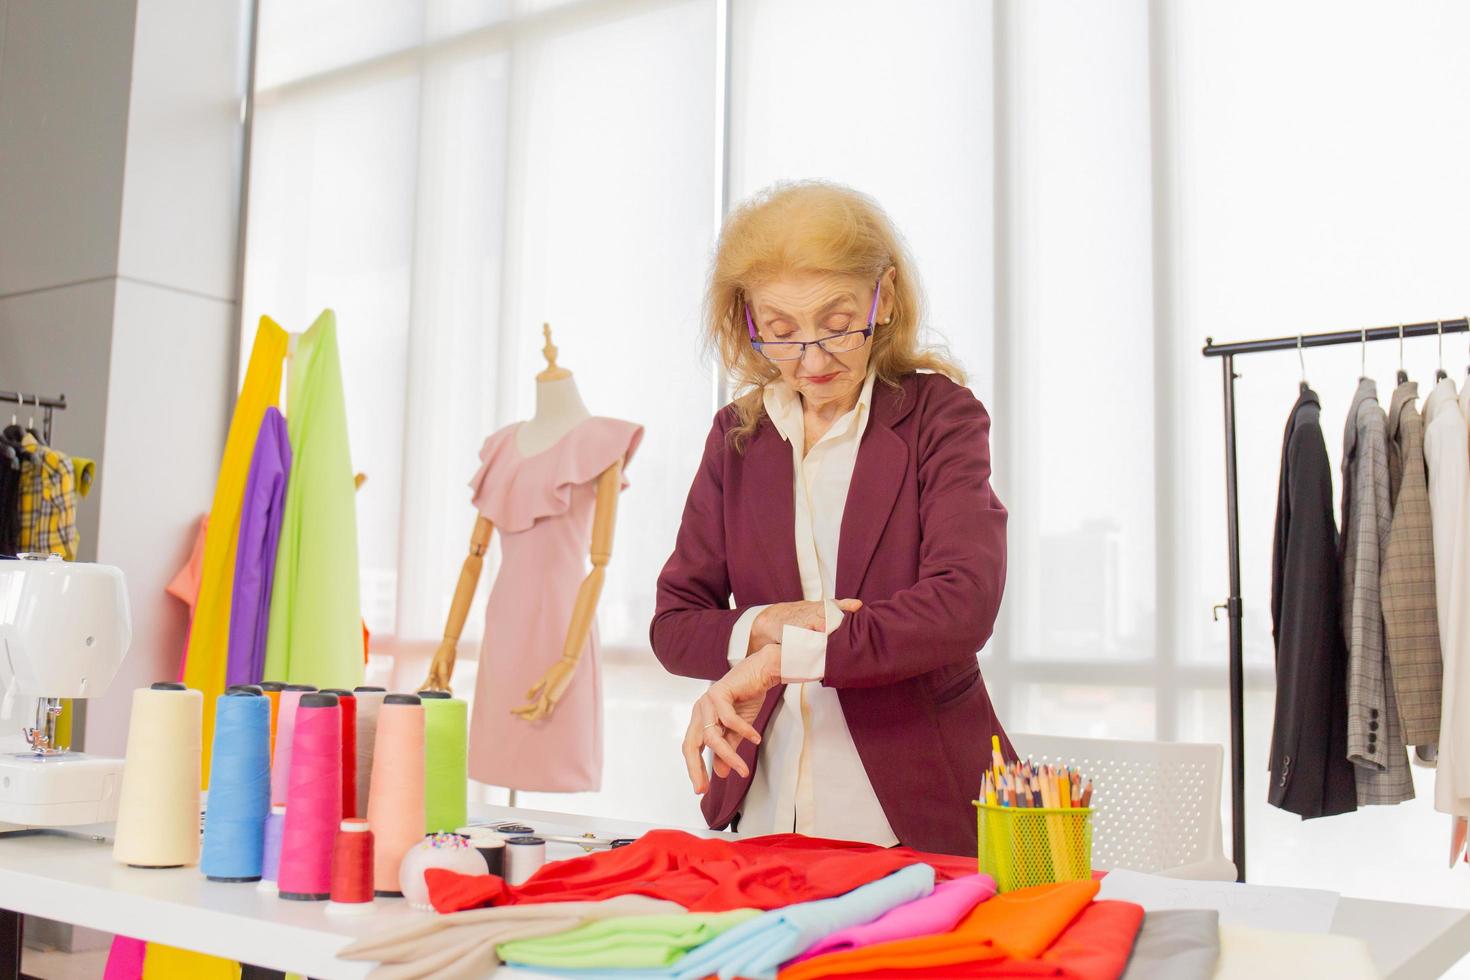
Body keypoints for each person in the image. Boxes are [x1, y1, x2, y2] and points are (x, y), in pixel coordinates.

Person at [650, 180, 1012, 856]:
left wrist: (779, 660)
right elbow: (674, 626)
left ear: (888, 296)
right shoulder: (736, 437)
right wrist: (763, 625)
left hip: (915, 811)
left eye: (838, 323)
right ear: (748, 322)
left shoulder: (941, 417)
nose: (812, 360)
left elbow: (963, 606)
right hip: (765, 809)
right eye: (782, 334)